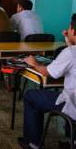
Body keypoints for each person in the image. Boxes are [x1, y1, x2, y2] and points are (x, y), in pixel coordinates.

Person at [18, 14, 76, 149]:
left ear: (73, 30)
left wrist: (34, 63)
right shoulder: (71, 51)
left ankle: (33, 143)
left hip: (73, 104)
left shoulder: (71, 53)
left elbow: (49, 73)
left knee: (30, 96)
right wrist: (69, 43)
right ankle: (72, 141)